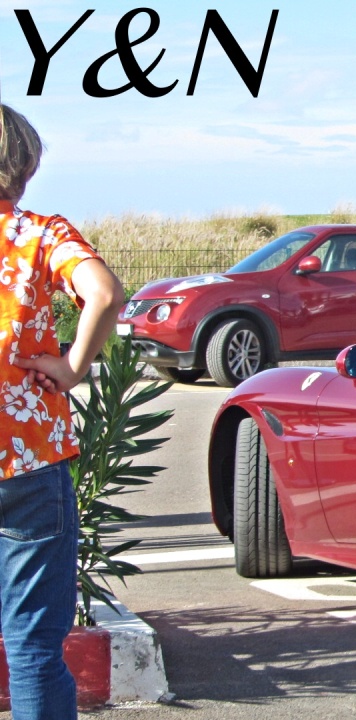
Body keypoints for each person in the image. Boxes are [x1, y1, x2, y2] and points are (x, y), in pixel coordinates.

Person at [0, 104, 125, 720]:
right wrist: (73, 366)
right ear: (24, 165)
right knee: (32, 649)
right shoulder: (40, 233)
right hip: (27, 457)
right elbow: (105, 294)